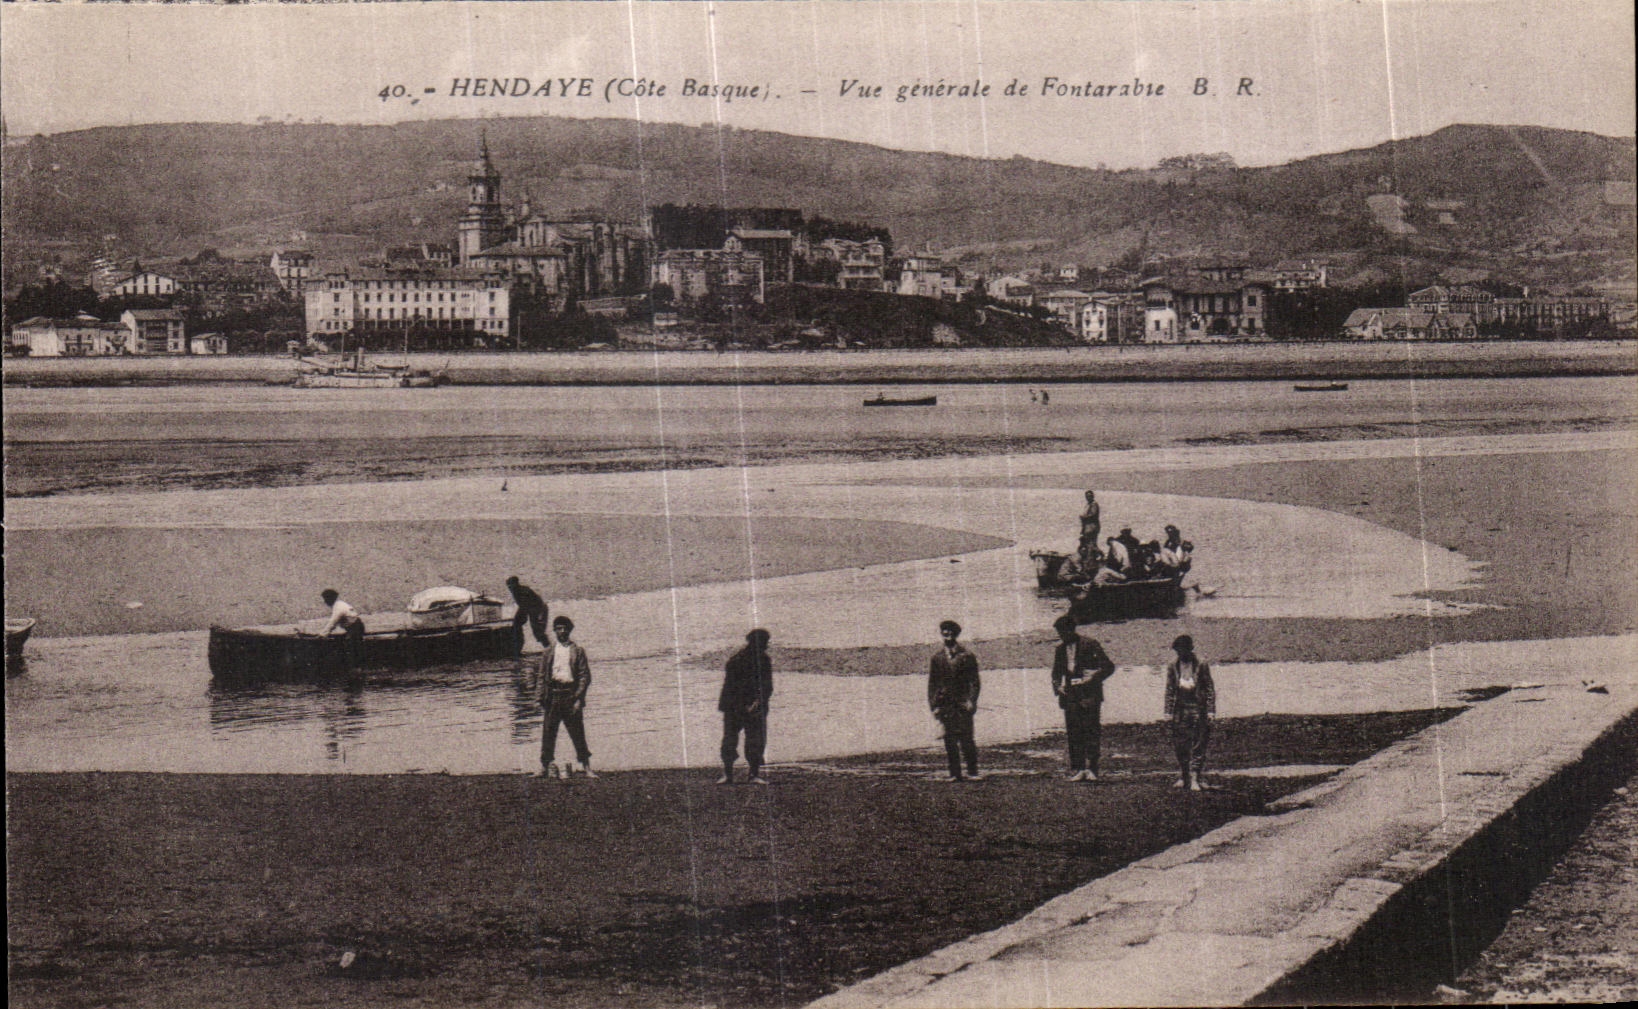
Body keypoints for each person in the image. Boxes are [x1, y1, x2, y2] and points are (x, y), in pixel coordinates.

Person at [1051, 613, 1117, 781]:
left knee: (1091, 731)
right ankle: (1078, 769)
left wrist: (1094, 676)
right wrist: (1058, 687)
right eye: (1059, 634)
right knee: (1074, 732)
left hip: (1090, 694)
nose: (1061, 637)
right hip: (1071, 696)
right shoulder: (1060, 650)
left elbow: (1109, 666)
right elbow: (1056, 673)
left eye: (1063, 633)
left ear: (1071, 630)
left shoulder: (1090, 644)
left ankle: (1093, 769)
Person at [538, 615, 594, 779]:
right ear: (554, 631)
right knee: (548, 732)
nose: (562, 632)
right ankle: (544, 766)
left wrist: (579, 698)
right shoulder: (548, 652)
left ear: (570, 630)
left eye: (565, 628)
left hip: (570, 694)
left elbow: (585, 676)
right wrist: (540, 698)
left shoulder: (577, 651)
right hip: (553, 695)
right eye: (558, 629)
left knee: (577, 732)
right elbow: (542, 676)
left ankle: (586, 767)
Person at [928, 620, 982, 781]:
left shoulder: (967, 656)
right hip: (945, 703)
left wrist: (971, 700)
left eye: (950, 632)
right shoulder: (937, 658)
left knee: (967, 738)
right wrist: (934, 705)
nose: (947, 635)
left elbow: (974, 681)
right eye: (944, 632)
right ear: (941, 634)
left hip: (963, 702)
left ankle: (972, 772)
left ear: (956, 634)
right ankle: (954, 773)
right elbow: (933, 684)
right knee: (949, 739)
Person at [719, 628, 774, 785]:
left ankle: (733, 774)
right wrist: (752, 705)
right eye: (764, 642)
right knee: (747, 740)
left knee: (736, 740)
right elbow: (732, 686)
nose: (766, 645)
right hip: (737, 706)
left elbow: (766, 686)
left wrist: (755, 703)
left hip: (741, 706)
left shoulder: (739, 659)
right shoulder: (747, 660)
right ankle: (746, 774)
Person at [1164, 635, 1216, 791]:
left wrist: (1211, 711)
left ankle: (1195, 777)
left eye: (1183, 651)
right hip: (1180, 708)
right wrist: (1168, 712)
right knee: (1180, 744)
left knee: (1199, 743)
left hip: (1198, 708)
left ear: (1190, 649)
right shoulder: (1173, 666)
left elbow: (1209, 689)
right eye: (1178, 651)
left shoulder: (1201, 664)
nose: (1181, 654)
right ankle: (1184, 775)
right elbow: (1170, 689)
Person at [318, 588, 366, 669]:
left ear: (330, 599)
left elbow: (332, 623)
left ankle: (355, 667)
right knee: (353, 645)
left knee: (351, 647)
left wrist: (322, 635)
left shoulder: (338, 608)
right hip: (355, 626)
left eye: (326, 599)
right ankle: (355, 666)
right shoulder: (339, 604)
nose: (325, 602)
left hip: (355, 628)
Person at [506, 575, 550, 651]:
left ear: (516, 584)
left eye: (511, 585)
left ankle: (549, 648)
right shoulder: (516, 591)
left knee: (537, 630)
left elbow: (526, 606)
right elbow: (523, 608)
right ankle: (517, 648)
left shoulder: (522, 591)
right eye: (508, 586)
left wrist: (521, 618)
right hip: (532, 609)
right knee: (516, 625)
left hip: (538, 609)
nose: (510, 588)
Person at [1078, 491, 1102, 555]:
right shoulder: (1088, 504)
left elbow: (1093, 514)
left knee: (1091, 542)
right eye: (1087, 496)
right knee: (1087, 541)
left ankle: (1094, 555)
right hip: (1087, 526)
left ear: (1093, 496)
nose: (1088, 497)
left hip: (1092, 526)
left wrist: (1084, 517)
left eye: (1090, 496)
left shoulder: (1094, 504)